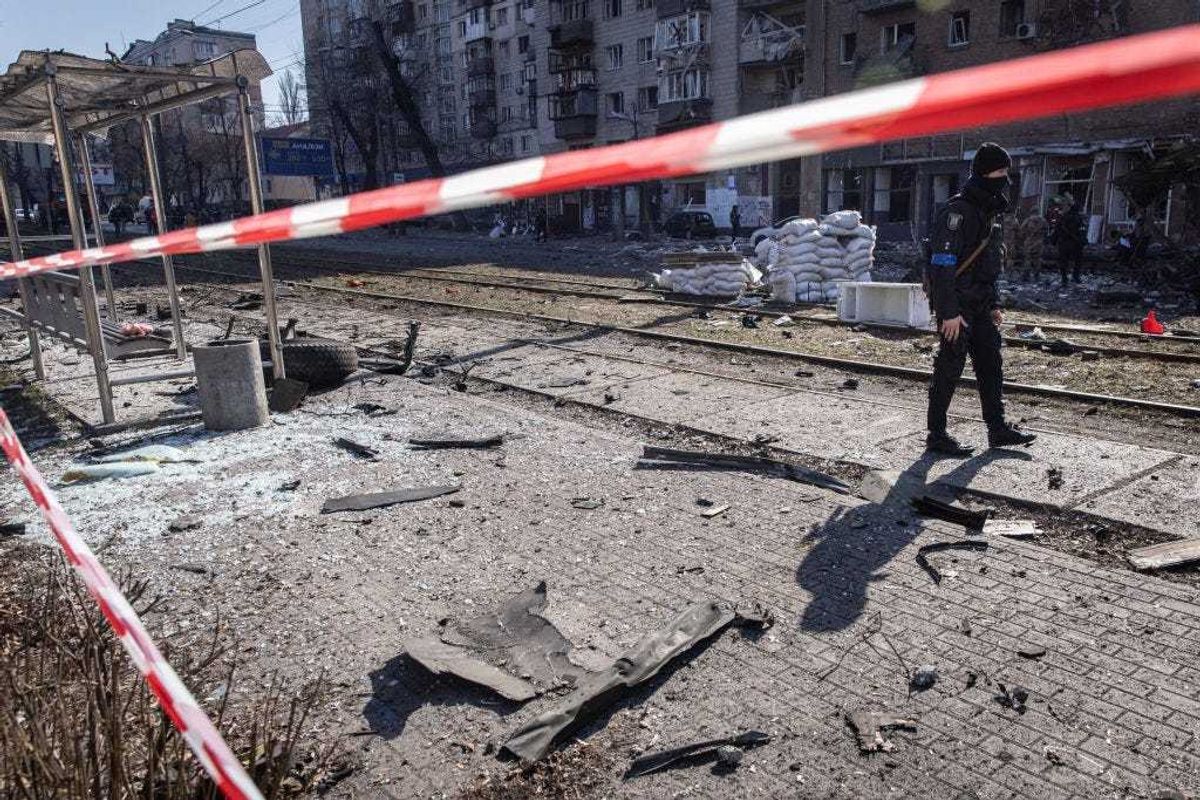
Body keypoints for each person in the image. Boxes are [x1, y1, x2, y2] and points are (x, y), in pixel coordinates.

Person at [924, 142, 1037, 456]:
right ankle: (937, 434)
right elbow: (941, 265)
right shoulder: (957, 212)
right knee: (949, 367)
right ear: (985, 173)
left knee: (991, 365)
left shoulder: (991, 212)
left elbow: (988, 263)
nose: (1005, 180)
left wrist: (994, 303)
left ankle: (997, 429)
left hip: (981, 305)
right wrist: (948, 311)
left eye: (1007, 173)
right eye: (1000, 172)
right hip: (957, 307)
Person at [1052, 194, 1085, 286]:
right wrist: (1083, 241)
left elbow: (1057, 230)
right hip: (1075, 243)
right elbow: (1082, 230)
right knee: (1077, 261)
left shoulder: (1063, 217)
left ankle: (1064, 279)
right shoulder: (1078, 218)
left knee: (1063, 262)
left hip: (1064, 243)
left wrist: (1053, 241)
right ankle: (1075, 276)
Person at [1017, 207, 1046, 279]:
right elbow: (1046, 230)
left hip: (1029, 241)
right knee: (1037, 258)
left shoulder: (1028, 220)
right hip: (1039, 242)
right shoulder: (1043, 220)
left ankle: (1026, 275)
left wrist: (1025, 236)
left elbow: (1021, 230)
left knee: (1028, 258)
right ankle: (1037, 274)